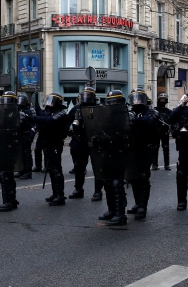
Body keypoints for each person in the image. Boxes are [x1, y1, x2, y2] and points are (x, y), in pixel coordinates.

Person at [28, 92, 70, 206]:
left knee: (56, 169)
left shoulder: (60, 113)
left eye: (52, 101)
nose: (49, 103)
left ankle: (60, 195)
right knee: (51, 169)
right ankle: (55, 193)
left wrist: (31, 118)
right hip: (49, 143)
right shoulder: (50, 112)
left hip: (56, 144)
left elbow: (49, 121)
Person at [96, 90, 130, 226]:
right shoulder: (107, 117)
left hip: (121, 152)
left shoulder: (128, 115)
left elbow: (127, 132)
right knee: (107, 181)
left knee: (117, 183)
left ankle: (120, 214)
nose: (112, 105)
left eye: (114, 102)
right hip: (108, 151)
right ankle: (112, 210)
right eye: (110, 103)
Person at [128, 88, 159, 221]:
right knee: (133, 177)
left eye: (139, 98)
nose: (136, 102)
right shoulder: (131, 113)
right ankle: (137, 203)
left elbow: (148, 122)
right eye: (134, 99)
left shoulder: (152, 112)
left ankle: (143, 206)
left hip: (146, 149)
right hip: (133, 149)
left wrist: (133, 119)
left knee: (142, 177)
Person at [0, 92, 25, 212]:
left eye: (8, 101)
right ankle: (10, 200)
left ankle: (8, 201)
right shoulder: (2, 115)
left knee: (6, 175)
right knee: (6, 175)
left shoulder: (19, 115)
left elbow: (16, 130)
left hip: (11, 147)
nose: (5, 104)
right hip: (3, 146)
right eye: (4, 101)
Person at [67, 88, 95, 199]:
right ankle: (78, 189)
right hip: (79, 141)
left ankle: (98, 191)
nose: (86, 98)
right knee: (79, 168)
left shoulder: (98, 108)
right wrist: (68, 130)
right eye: (85, 95)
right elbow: (67, 122)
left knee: (98, 168)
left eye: (89, 96)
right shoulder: (75, 109)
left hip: (94, 141)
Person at [153, 93, 172, 171]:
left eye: (164, 99)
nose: (163, 101)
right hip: (156, 131)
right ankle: (154, 164)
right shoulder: (154, 110)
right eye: (161, 99)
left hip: (165, 132)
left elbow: (171, 121)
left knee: (166, 148)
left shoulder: (168, 111)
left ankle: (167, 164)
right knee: (155, 148)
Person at [17, 93, 34, 179]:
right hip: (19, 134)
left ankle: (28, 172)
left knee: (27, 153)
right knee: (20, 153)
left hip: (26, 133)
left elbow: (33, 124)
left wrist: (31, 136)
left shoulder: (30, 111)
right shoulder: (17, 110)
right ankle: (21, 170)